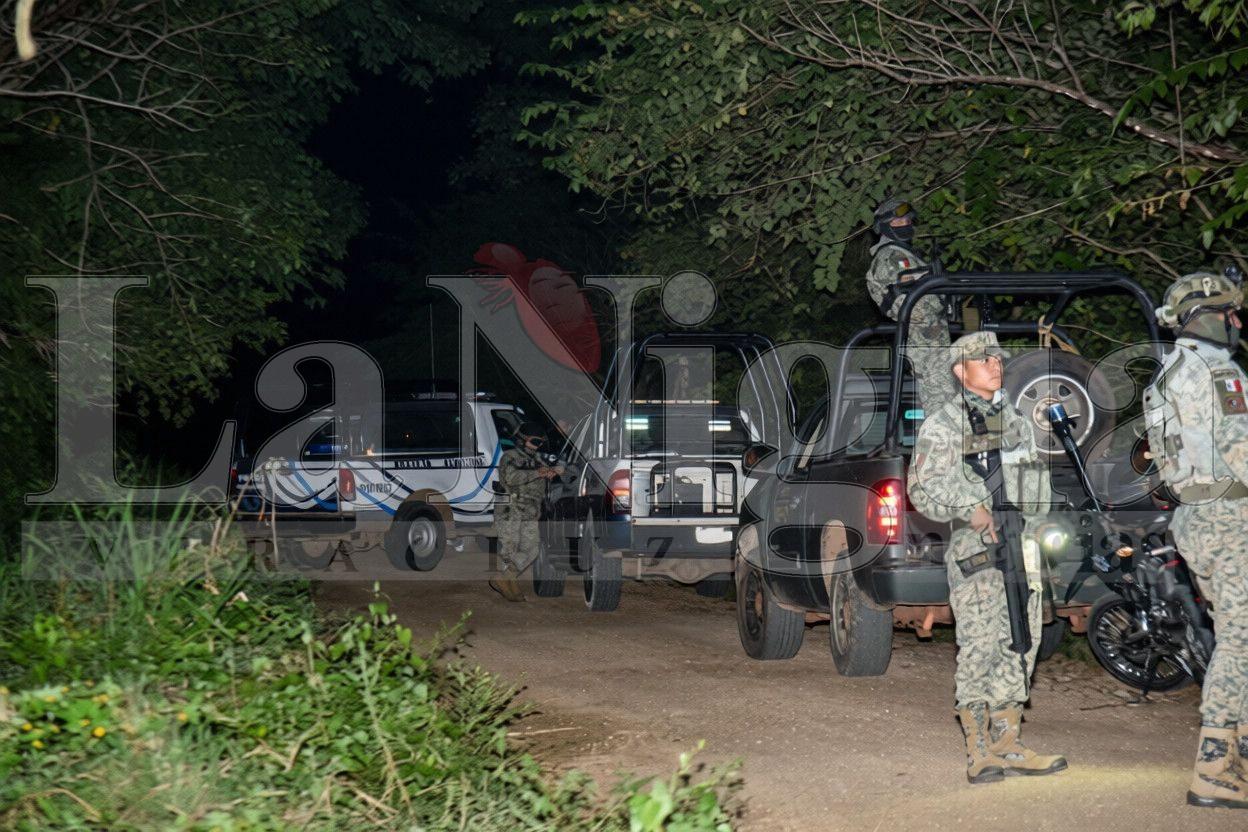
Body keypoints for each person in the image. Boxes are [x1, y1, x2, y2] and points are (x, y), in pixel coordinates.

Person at [908, 331, 1066, 784]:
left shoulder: (1016, 421)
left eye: (997, 358)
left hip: (1023, 546)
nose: (995, 364)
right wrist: (967, 508)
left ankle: (1008, 743)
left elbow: (1034, 484)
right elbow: (922, 489)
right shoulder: (944, 423)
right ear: (961, 370)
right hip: (976, 552)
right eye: (983, 359)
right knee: (979, 647)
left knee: (1022, 641)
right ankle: (978, 750)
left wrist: (1041, 520)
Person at [1144, 269, 1248, 810]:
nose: (1236, 322)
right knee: (1242, 638)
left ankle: (1240, 756)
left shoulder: (1164, 378)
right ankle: (1214, 766)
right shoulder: (1220, 372)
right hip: (1231, 514)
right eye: (1232, 312)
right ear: (1212, 314)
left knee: (1236, 629)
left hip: (1194, 516)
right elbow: (1242, 450)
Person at [865, 197, 953, 409]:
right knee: (940, 415)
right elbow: (911, 307)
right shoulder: (889, 257)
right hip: (925, 350)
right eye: (898, 221)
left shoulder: (907, 256)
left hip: (935, 348)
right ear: (883, 226)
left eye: (908, 220)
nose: (905, 225)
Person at [489, 422, 562, 602]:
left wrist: (552, 472)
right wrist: (538, 473)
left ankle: (506, 578)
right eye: (535, 441)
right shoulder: (510, 456)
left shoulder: (538, 458)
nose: (538, 445)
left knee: (532, 549)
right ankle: (508, 583)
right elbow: (511, 477)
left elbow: (548, 473)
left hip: (530, 511)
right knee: (511, 550)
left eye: (540, 442)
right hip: (511, 510)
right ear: (522, 439)